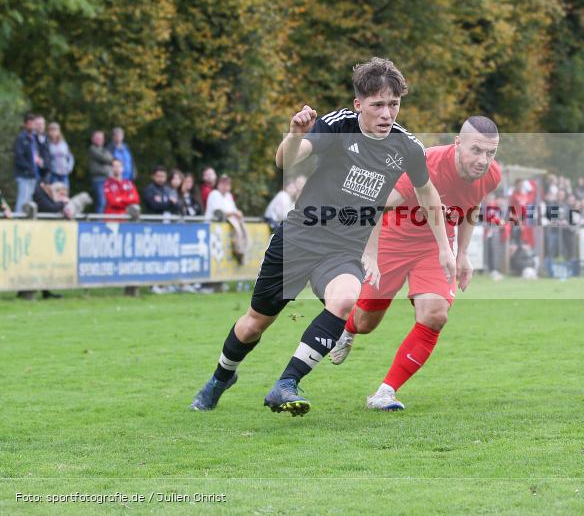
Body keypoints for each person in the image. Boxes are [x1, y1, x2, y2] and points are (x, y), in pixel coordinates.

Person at [189, 57, 454, 416]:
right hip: (299, 239)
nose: (387, 113)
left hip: (343, 249)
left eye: (393, 104)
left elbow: (427, 193)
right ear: (359, 104)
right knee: (254, 323)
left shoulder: (407, 147)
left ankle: (287, 383)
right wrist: (296, 134)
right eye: (377, 105)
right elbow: (286, 161)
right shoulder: (336, 126)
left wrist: (445, 249)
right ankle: (221, 378)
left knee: (346, 299)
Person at [328, 117, 501, 410]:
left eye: (491, 153)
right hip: (392, 242)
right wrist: (369, 254)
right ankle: (347, 329)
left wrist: (462, 253)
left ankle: (385, 391)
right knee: (366, 322)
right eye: (476, 150)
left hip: (436, 247)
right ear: (458, 143)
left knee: (435, 315)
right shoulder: (427, 162)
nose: (483, 160)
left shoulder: (491, 175)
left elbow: (473, 205)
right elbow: (377, 204)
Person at [13, 114, 41, 213]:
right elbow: (18, 157)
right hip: (24, 174)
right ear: (25, 124)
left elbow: (34, 154)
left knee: (29, 199)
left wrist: (38, 161)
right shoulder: (21, 138)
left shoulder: (34, 138)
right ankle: (18, 219)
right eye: (29, 124)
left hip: (33, 174)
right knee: (23, 198)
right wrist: (28, 167)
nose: (32, 126)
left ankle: (26, 221)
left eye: (33, 123)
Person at [89, 131, 114, 213]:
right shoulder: (92, 149)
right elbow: (107, 158)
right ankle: (99, 222)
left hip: (108, 180)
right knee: (101, 202)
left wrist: (109, 159)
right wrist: (109, 159)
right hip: (98, 180)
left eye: (101, 138)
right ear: (92, 139)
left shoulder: (104, 150)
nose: (100, 140)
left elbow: (111, 159)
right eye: (97, 138)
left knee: (109, 202)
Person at [45, 122, 74, 188]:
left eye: (55, 130)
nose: (53, 132)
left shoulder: (63, 143)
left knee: (65, 191)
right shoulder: (47, 143)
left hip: (64, 172)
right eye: (51, 130)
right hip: (53, 173)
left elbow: (70, 156)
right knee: (54, 193)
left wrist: (69, 167)